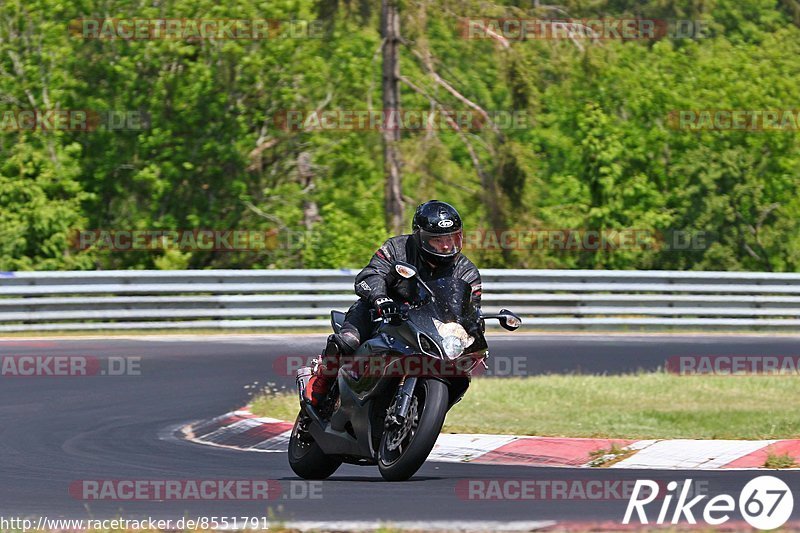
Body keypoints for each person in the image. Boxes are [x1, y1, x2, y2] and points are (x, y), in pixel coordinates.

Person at [304, 200, 482, 406]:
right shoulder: (397, 248)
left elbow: (470, 310)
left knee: (457, 371)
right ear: (420, 238)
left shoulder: (467, 272)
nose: (446, 246)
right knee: (348, 341)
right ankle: (322, 379)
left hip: (429, 329)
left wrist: (475, 331)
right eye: (438, 240)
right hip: (381, 312)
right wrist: (381, 298)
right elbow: (369, 275)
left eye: (452, 238)